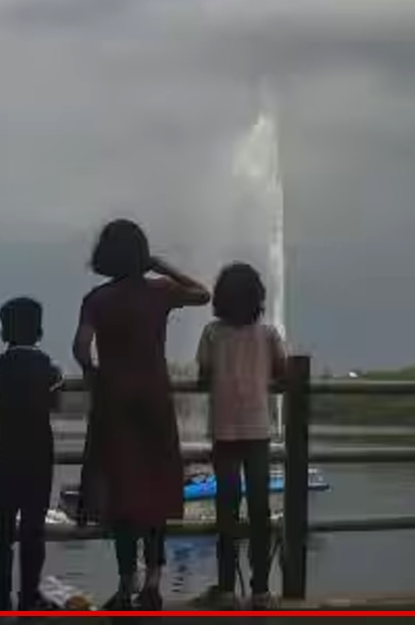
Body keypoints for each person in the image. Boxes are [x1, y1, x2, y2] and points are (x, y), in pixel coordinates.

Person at [72, 219, 211, 610]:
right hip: (154, 399)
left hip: (114, 400)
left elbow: (81, 348)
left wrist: (91, 375)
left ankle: (124, 585)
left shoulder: (96, 300)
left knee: (122, 493)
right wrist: (162, 265)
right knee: (154, 492)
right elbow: (202, 294)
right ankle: (153, 583)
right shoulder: (160, 292)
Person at [192, 263, 287, 611]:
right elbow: (284, 370)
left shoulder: (212, 334)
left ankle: (226, 588)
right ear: (258, 298)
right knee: (260, 512)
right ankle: (261, 590)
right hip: (258, 431)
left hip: (224, 433)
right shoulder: (268, 334)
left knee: (226, 512)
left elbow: (203, 373)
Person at [0, 297, 64, 611]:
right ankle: (29, 595)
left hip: (5, 450)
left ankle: (0, 596)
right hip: (38, 452)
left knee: (2, 525)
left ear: (4, 332)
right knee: (34, 527)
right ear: (40, 331)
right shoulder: (49, 367)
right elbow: (56, 403)